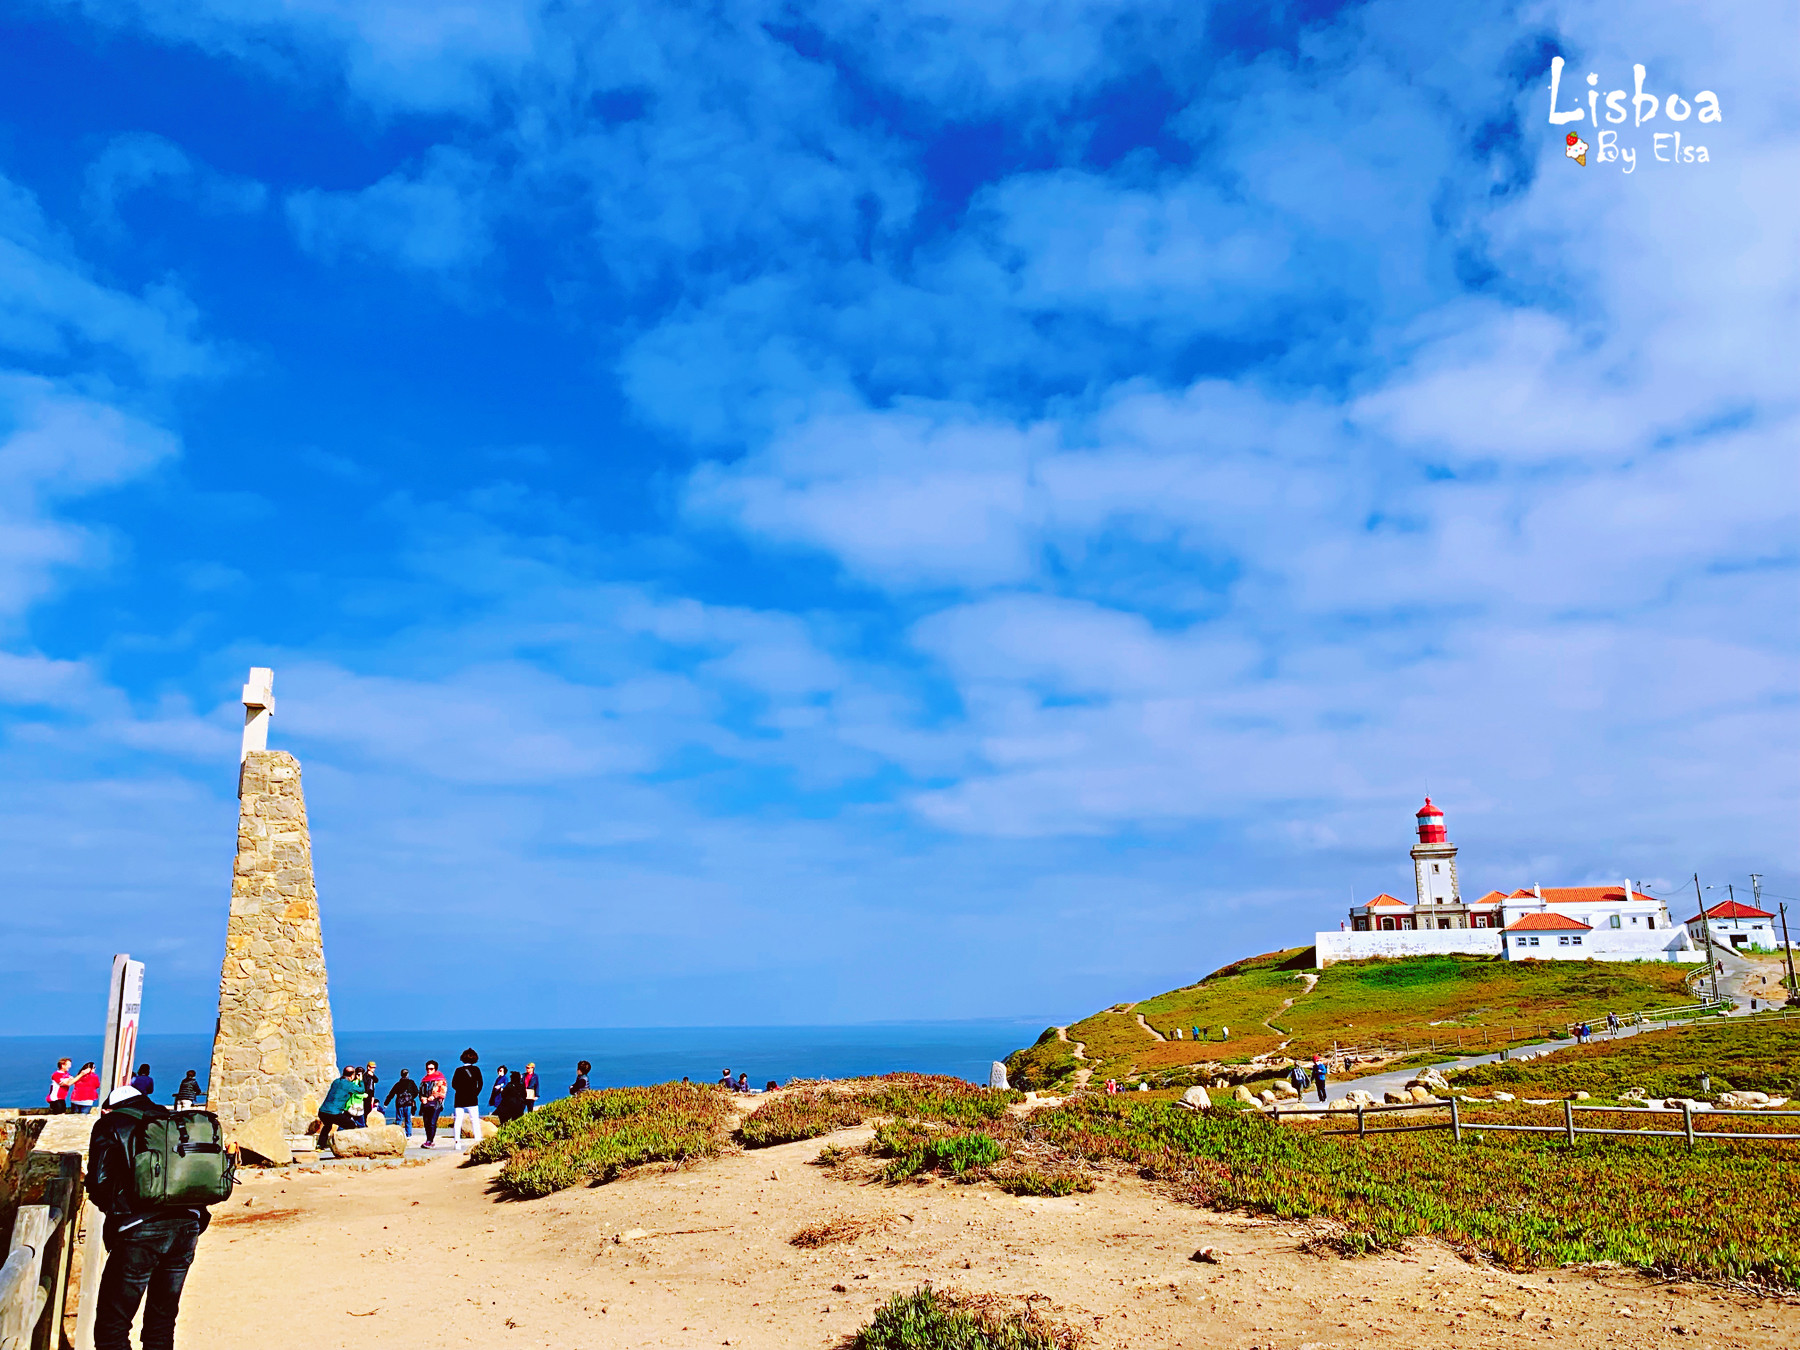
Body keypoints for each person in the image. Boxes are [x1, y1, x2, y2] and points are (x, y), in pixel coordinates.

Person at [86, 1085, 217, 1350]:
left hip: (138, 1228)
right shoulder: (171, 1119)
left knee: (113, 1326)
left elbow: (100, 1182)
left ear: (108, 1108)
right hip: (187, 1223)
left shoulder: (110, 1122)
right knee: (161, 1321)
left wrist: (115, 1211)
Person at [316, 1067, 362, 1148]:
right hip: (334, 1113)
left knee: (327, 1126)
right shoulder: (349, 1085)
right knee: (351, 1125)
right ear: (352, 1076)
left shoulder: (336, 1082)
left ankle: (320, 1145)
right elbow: (361, 1090)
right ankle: (349, 1145)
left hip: (322, 1112)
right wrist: (360, 1080)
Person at [450, 1049, 484, 1153]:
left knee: (458, 1120)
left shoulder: (458, 1070)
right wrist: (475, 1093)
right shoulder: (476, 1070)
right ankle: (477, 1141)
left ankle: (457, 1142)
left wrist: (460, 1091)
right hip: (472, 1098)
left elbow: (453, 1084)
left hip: (459, 1098)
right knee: (474, 1120)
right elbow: (481, 1083)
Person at [419, 1060, 448, 1148]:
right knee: (426, 1122)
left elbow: (443, 1092)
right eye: (427, 1069)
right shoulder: (424, 1080)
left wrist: (434, 1096)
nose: (429, 1071)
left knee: (432, 1122)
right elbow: (420, 1092)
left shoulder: (440, 1079)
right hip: (426, 1104)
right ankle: (428, 1139)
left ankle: (430, 1141)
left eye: (431, 1069)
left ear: (435, 1069)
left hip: (436, 1104)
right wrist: (422, 1098)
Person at [384, 1070, 420, 1139]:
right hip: (408, 1104)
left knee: (399, 1120)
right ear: (407, 1075)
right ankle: (408, 1135)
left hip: (399, 1104)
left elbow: (391, 1094)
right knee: (408, 1119)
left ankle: (398, 1135)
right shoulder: (411, 1083)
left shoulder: (398, 1084)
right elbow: (416, 1092)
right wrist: (411, 1097)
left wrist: (386, 1103)